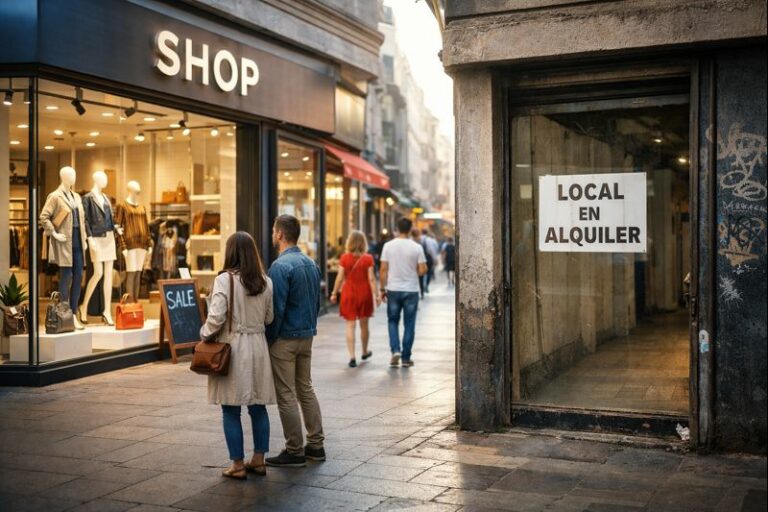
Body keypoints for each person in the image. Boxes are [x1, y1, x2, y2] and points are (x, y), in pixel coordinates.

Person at [200, 231, 275, 481]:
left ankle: (238, 464)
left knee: (231, 410)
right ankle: (259, 460)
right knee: (258, 406)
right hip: (258, 347)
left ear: (230, 252)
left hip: (233, 349)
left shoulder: (225, 280)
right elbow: (269, 318)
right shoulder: (265, 281)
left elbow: (216, 316)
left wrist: (204, 333)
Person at [266, 214, 325, 468]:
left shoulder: (280, 267)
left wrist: (270, 338)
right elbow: (317, 303)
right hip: (306, 336)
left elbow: (275, 308)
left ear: (280, 234)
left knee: (287, 394)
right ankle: (316, 445)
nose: (272, 235)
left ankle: (294, 450)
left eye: (273, 231)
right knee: (306, 388)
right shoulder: (311, 263)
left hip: (285, 338)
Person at [380, 218, 427, 368]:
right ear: (410, 229)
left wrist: (382, 288)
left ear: (397, 228)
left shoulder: (388, 246)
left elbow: (383, 269)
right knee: (409, 323)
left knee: (392, 321)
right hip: (411, 290)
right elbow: (422, 270)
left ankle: (395, 351)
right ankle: (406, 358)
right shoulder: (416, 247)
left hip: (393, 289)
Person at [330, 230, 381, 368]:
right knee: (364, 325)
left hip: (349, 294)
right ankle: (364, 351)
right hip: (364, 294)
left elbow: (340, 277)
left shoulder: (344, 258)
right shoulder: (368, 258)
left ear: (349, 242)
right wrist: (376, 295)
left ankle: (352, 357)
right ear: (364, 243)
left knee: (350, 325)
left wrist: (334, 292)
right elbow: (371, 279)